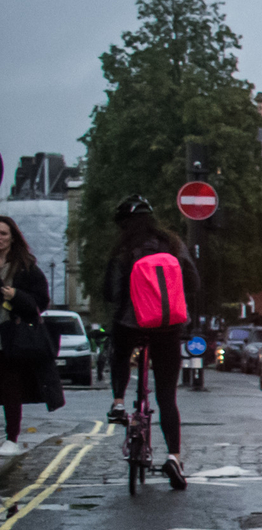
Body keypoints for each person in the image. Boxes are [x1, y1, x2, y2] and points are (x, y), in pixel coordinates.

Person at [100, 196, 199, 486]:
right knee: (167, 396)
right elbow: (193, 283)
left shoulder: (123, 250)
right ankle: (174, 459)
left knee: (120, 353)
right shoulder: (173, 244)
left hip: (132, 322)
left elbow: (110, 292)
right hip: (168, 325)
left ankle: (118, 402)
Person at [0, 215, 67, 457]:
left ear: (13, 237)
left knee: (10, 387)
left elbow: (40, 302)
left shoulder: (25, 267)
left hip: (12, 337)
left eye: (4, 233)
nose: (0, 238)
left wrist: (15, 296)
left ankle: (11, 437)